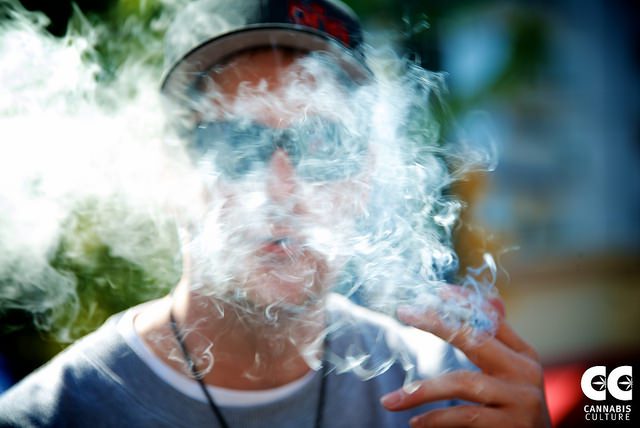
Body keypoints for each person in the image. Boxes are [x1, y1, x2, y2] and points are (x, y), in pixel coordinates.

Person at [0, 0, 551, 427]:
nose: (283, 188)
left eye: (322, 141)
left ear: (364, 176)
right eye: (238, 142)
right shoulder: (52, 415)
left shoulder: (441, 392)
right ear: (168, 173)